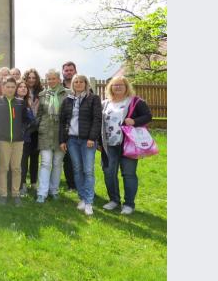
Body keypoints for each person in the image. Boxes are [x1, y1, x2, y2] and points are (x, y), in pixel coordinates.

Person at [100, 76, 152, 215]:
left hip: (127, 144)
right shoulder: (105, 103)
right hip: (109, 145)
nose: (117, 87)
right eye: (114, 85)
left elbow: (148, 116)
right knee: (109, 173)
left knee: (128, 174)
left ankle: (129, 204)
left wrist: (134, 121)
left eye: (120, 85)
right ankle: (114, 200)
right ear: (110, 87)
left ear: (126, 86)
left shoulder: (135, 101)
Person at [59, 74, 102, 215]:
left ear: (86, 83)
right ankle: (82, 198)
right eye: (75, 82)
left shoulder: (93, 99)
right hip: (72, 140)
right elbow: (62, 122)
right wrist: (62, 140)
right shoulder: (67, 100)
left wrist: (92, 137)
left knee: (88, 170)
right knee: (77, 169)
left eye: (81, 81)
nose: (78, 84)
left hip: (87, 140)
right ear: (72, 84)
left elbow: (97, 119)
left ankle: (89, 202)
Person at [0, 77, 31, 206]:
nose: (10, 89)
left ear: (15, 88)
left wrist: (22, 131)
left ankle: (16, 194)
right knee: (3, 167)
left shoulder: (21, 103)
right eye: (7, 87)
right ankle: (3, 195)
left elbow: (28, 120)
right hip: (2, 140)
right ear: (2, 88)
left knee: (16, 168)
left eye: (12, 87)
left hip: (18, 141)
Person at [35, 70, 69, 203]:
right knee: (45, 162)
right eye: (49, 79)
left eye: (53, 78)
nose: (51, 81)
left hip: (61, 133)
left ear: (59, 79)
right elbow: (39, 113)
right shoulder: (42, 94)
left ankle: (53, 190)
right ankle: (42, 193)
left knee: (57, 163)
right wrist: (39, 127)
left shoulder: (67, 94)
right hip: (45, 132)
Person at [20, 69, 42, 195]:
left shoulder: (41, 93)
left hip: (37, 130)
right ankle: (22, 183)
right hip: (26, 130)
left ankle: (33, 182)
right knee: (24, 158)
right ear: (26, 78)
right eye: (29, 78)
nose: (32, 80)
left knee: (35, 157)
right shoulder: (22, 91)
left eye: (34, 78)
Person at [61, 61, 78, 191]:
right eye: (66, 70)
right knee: (67, 159)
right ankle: (71, 185)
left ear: (75, 71)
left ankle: (81, 184)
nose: (68, 72)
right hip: (65, 127)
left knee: (81, 160)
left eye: (71, 70)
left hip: (80, 128)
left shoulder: (82, 85)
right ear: (63, 72)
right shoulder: (59, 88)